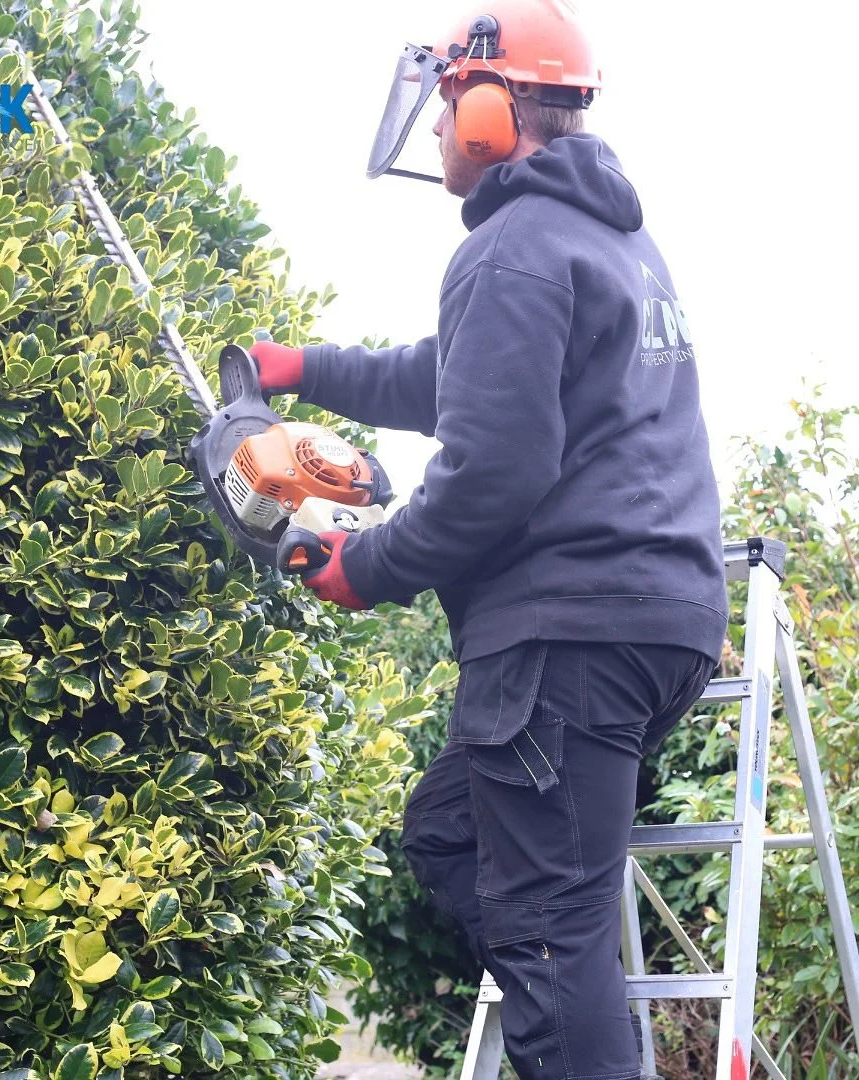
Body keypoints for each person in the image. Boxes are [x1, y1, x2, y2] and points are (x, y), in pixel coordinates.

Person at [249, 2, 727, 1077]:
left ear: (487, 110)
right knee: (451, 834)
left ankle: (581, 1020)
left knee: (550, 946)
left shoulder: (512, 248)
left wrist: (362, 569)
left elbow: (495, 473)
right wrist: (303, 366)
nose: (432, 135)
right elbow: (456, 378)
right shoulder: (610, 238)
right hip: (655, 627)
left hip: (566, 639)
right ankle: (591, 1020)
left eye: (443, 109)